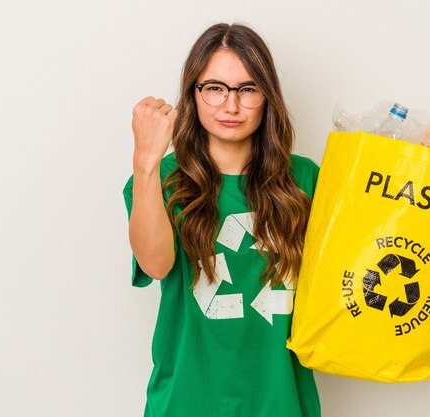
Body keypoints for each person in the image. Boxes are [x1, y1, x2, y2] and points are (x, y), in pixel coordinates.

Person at [123, 23, 322, 417]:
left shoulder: (306, 180)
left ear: (267, 97)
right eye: (214, 88)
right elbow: (156, 264)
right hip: (185, 401)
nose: (231, 106)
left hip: (281, 402)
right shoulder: (160, 180)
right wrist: (146, 162)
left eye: (247, 89)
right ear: (193, 94)